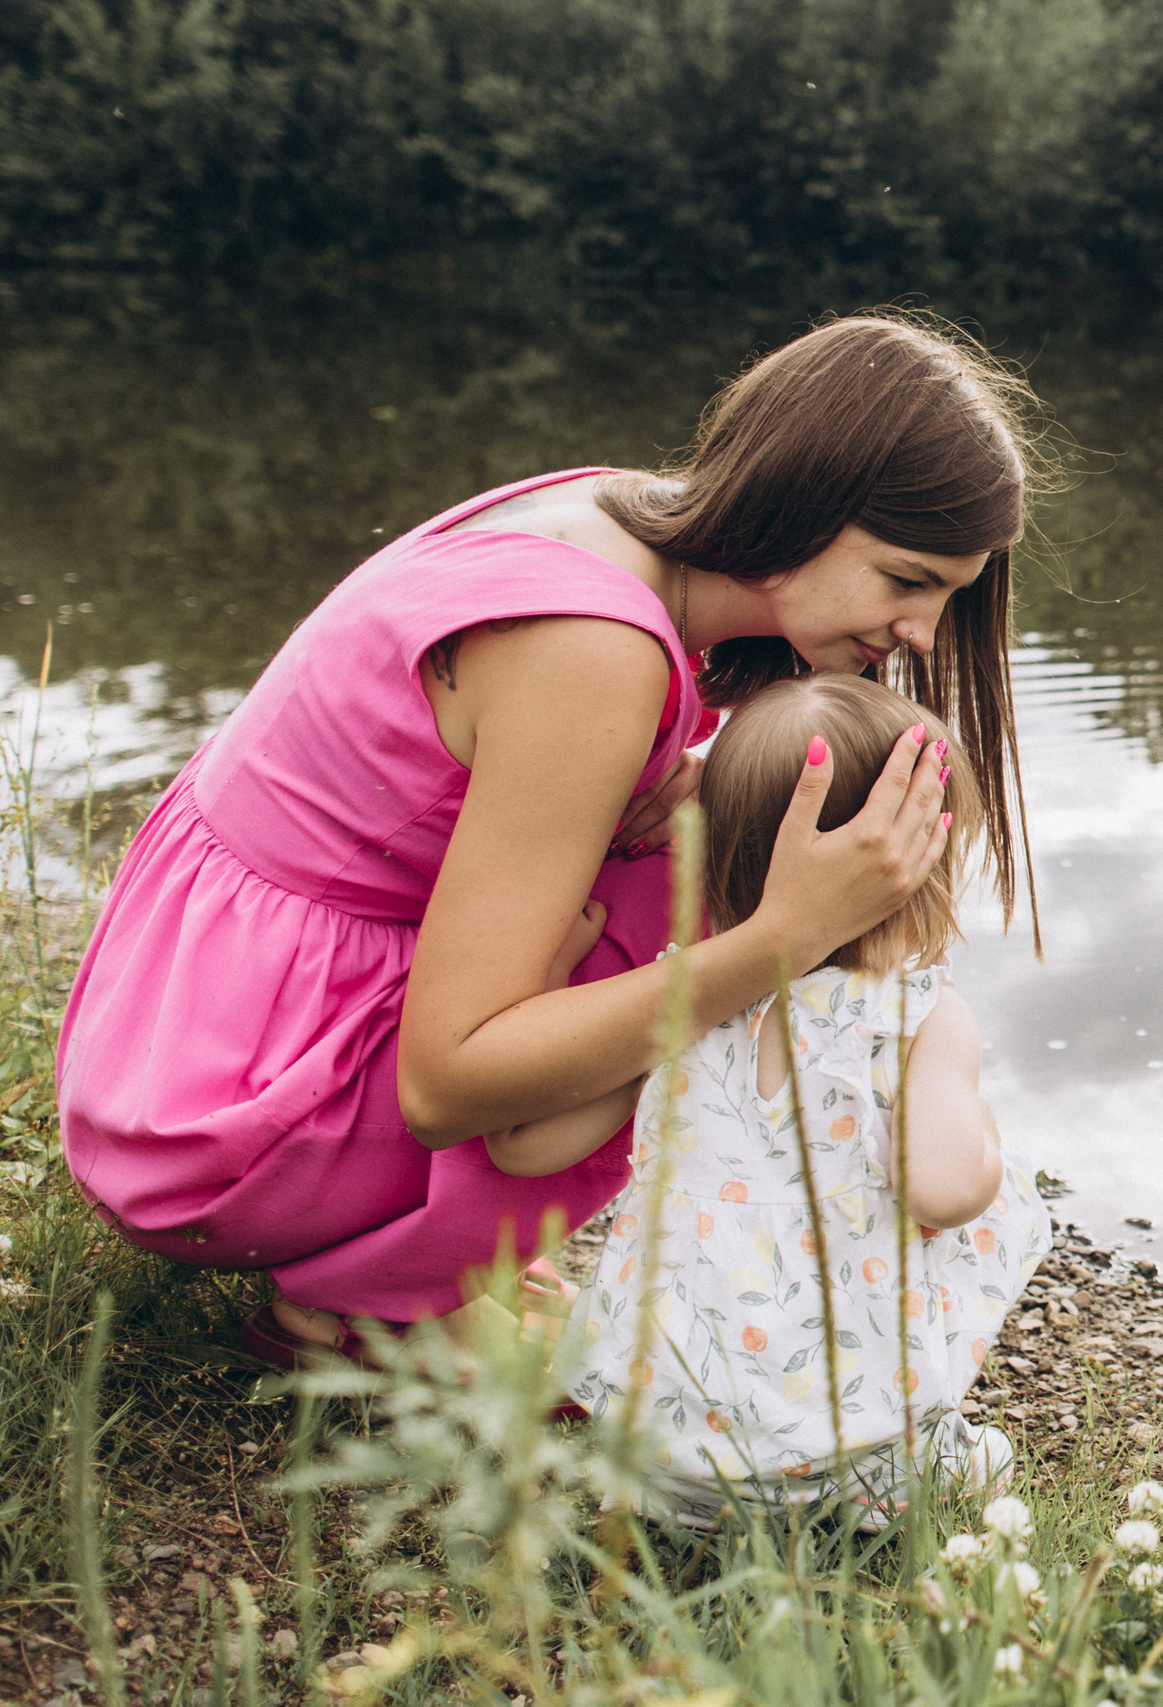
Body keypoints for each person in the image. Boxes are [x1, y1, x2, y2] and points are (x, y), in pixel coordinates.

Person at [52, 314, 1037, 1366]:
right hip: (217, 1127)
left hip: (176, 1028)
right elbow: (445, 1086)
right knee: (729, 876)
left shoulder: (612, 515)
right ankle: (375, 1305)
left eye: (948, 595)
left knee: (719, 816)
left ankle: (420, 1243)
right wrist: (778, 940)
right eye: (907, 580)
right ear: (803, 499)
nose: (922, 633)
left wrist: (694, 775)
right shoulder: (591, 652)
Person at [548, 674, 1047, 1525]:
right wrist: (989, 1139)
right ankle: (895, 1467)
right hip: (848, 1466)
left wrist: (562, 974)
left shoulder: (678, 1001)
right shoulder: (919, 1015)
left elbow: (531, 1145)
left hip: (667, 1465)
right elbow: (945, 1191)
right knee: (962, 1425)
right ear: (916, 874)